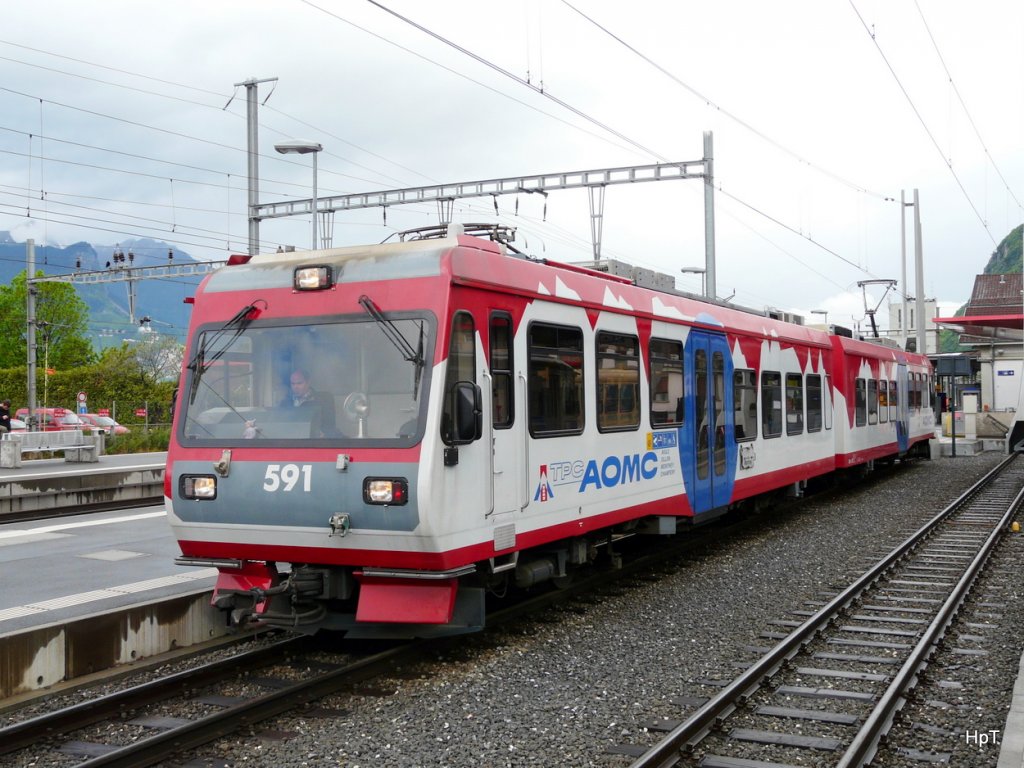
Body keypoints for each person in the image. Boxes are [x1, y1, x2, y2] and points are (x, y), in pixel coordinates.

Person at [280, 369, 337, 437]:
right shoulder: (285, 403)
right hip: (292, 442)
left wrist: (323, 433)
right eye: (293, 383)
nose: (296, 387)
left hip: (313, 443)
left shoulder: (323, 400)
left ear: (308, 383)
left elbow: (330, 426)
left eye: (299, 383)